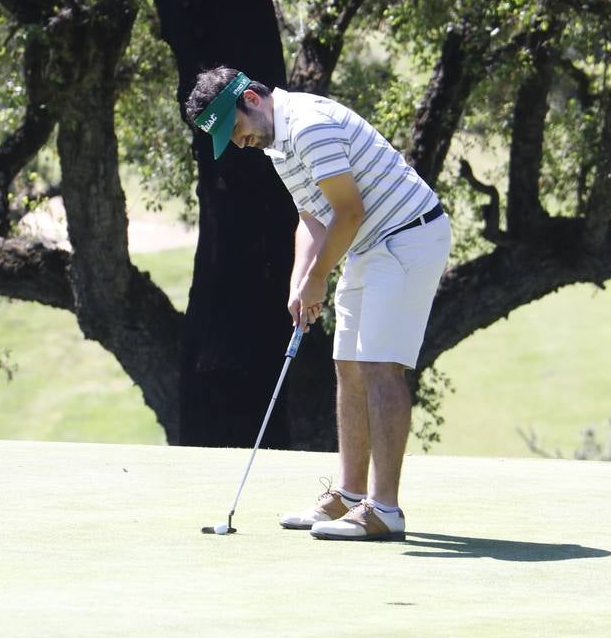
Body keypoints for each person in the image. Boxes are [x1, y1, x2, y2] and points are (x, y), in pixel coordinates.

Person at [185, 67, 451, 541]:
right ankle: (349, 497)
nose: (239, 142)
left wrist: (319, 277)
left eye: (236, 128)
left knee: (380, 368)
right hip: (369, 244)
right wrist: (299, 282)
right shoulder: (275, 144)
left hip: (408, 235)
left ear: (250, 98)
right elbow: (312, 215)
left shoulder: (308, 127)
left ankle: (384, 510)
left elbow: (349, 212)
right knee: (348, 365)